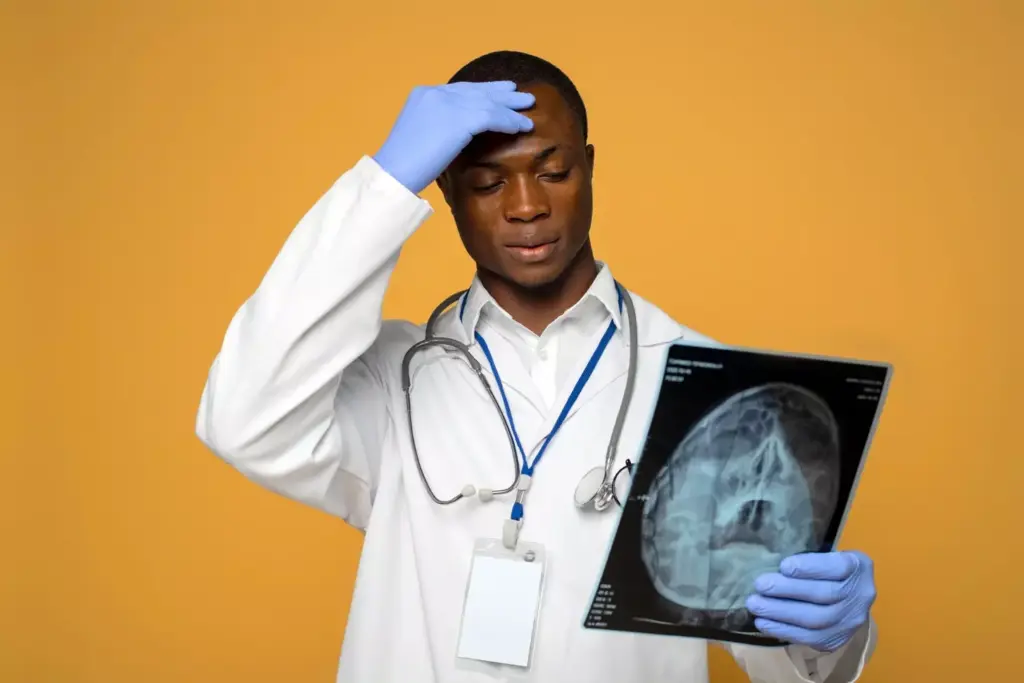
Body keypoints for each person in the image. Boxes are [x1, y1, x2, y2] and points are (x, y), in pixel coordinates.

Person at [195, 50, 878, 683]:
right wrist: (381, 185)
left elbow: (785, 661)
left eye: (554, 172)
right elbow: (243, 417)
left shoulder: (704, 382)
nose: (527, 206)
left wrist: (828, 633)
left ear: (589, 164)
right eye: (489, 182)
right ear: (444, 191)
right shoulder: (390, 381)